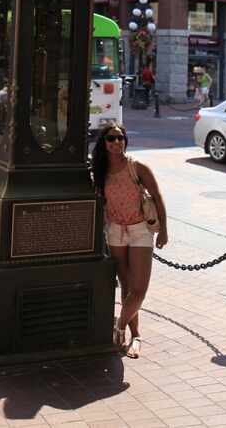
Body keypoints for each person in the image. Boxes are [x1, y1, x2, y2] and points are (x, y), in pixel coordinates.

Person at [92, 121, 168, 359]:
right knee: (125, 286)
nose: (117, 142)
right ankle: (135, 335)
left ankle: (119, 327)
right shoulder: (100, 171)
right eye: (111, 139)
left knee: (138, 290)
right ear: (103, 143)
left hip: (140, 231)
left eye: (120, 138)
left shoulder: (137, 167)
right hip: (115, 232)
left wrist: (164, 230)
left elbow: (157, 196)